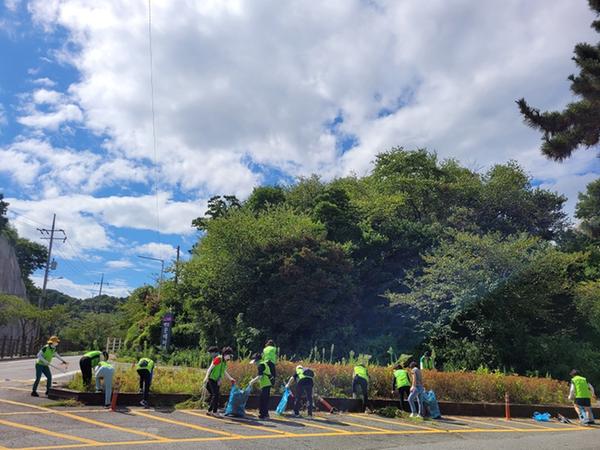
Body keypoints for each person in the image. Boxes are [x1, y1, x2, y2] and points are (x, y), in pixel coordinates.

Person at [202, 347, 235, 417]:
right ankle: (214, 411)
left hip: (217, 380)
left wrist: (230, 378)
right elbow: (210, 368)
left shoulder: (224, 362)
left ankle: (210, 411)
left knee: (216, 395)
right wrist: (206, 377)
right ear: (225, 354)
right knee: (216, 395)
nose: (230, 357)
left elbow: (224, 371)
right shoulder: (218, 359)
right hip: (211, 379)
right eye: (230, 355)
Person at [248, 353, 272, 419]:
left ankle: (264, 415)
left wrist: (251, 382)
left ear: (257, 360)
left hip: (266, 384)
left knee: (263, 400)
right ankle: (265, 414)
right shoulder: (263, 363)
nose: (254, 364)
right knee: (263, 400)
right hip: (266, 384)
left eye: (254, 362)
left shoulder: (260, 365)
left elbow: (260, 376)